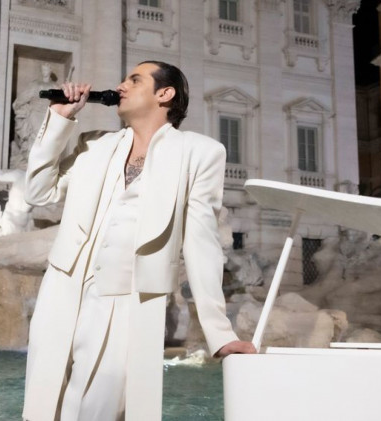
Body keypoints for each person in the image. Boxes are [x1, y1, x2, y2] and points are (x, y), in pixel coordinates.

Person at [22, 61, 255, 421]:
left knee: (96, 411)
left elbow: (201, 242)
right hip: (63, 289)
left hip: (129, 299)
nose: (121, 85)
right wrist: (59, 119)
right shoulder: (93, 144)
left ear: (165, 94)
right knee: (44, 406)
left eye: (135, 79)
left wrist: (219, 331)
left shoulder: (201, 153)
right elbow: (38, 192)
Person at [11, 63, 57, 168]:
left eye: (46, 69)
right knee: (35, 136)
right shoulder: (35, 84)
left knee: (46, 138)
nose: (44, 71)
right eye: (43, 69)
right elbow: (25, 96)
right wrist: (17, 104)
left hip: (47, 113)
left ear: (50, 71)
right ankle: (31, 160)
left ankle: (42, 162)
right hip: (35, 113)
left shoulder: (54, 86)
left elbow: (59, 100)